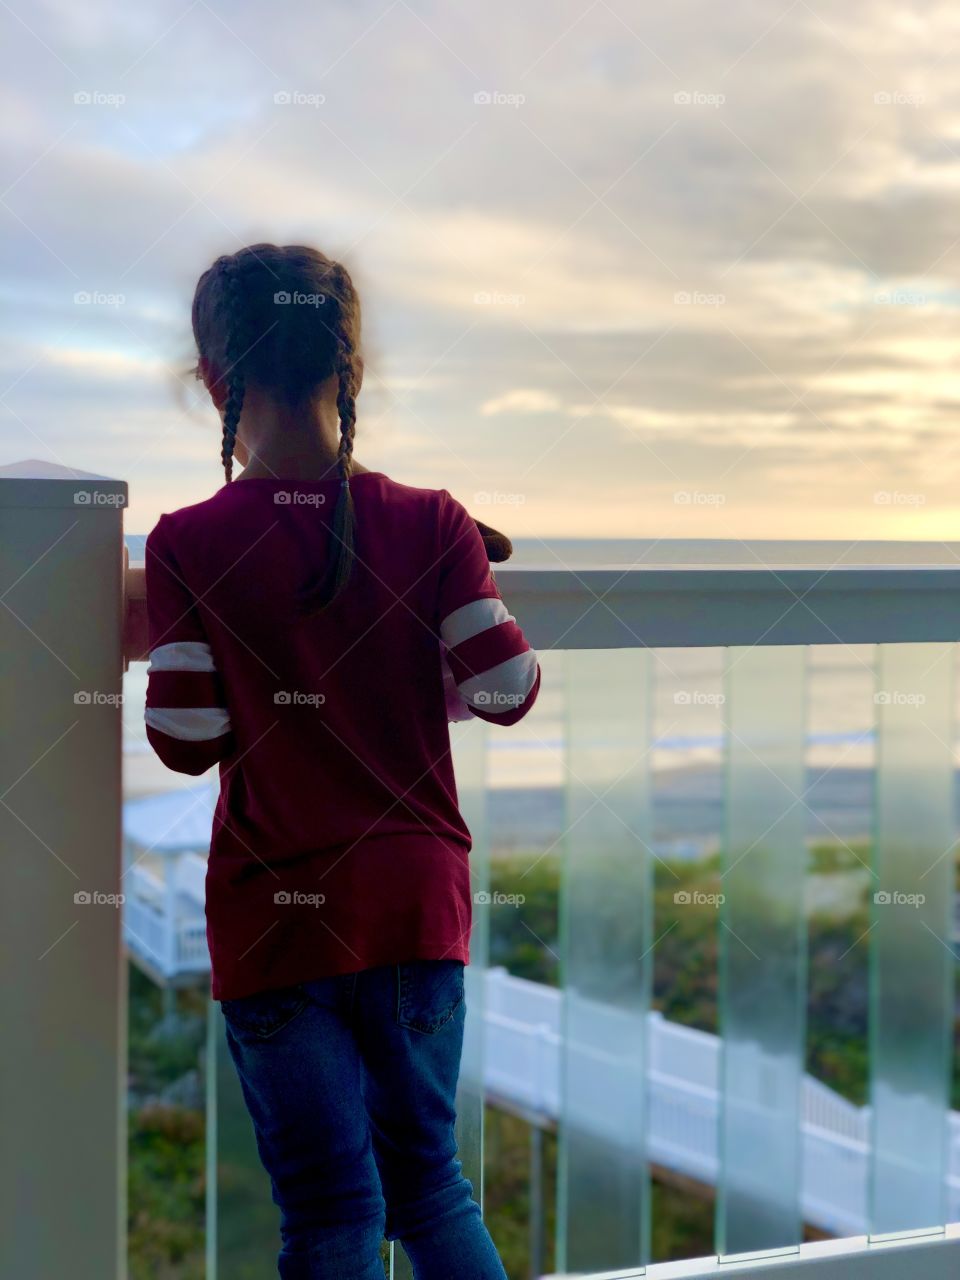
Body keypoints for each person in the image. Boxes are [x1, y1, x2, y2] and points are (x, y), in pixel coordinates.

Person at [143, 243, 540, 1279]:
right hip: (414, 906)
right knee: (432, 1188)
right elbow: (506, 690)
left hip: (276, 921)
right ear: (350, 368)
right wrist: (455, 572)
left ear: (216, 381)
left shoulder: (185, 542)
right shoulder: (435, 521)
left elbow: (183, 743)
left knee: (329, 1214)